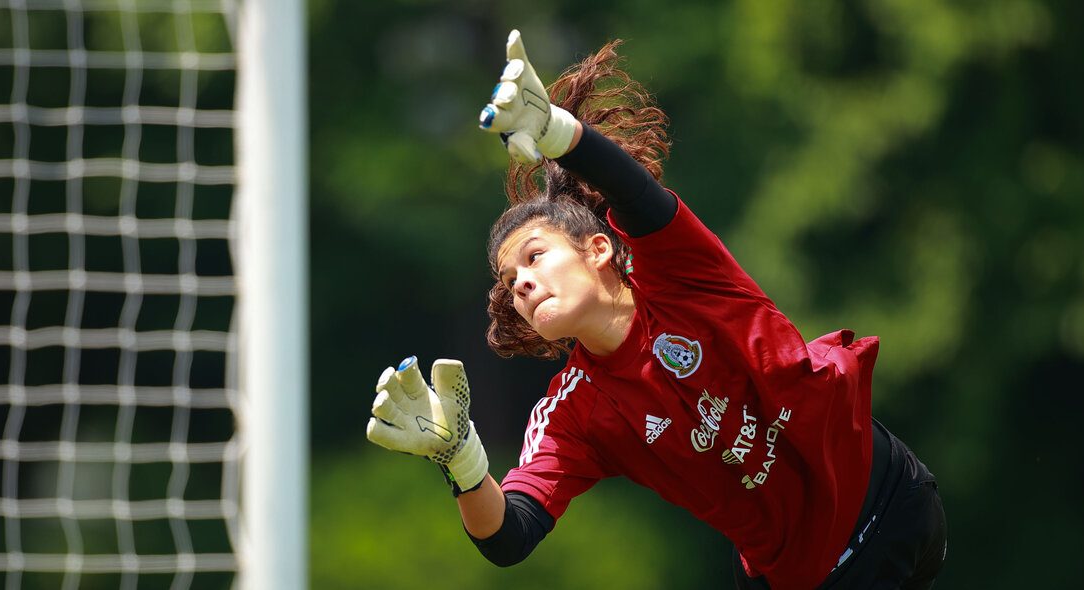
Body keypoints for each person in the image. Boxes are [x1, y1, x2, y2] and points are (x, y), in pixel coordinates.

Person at [365, 30, 948, 590]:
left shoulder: (678, 274)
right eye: (510, 281)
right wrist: (461, 459)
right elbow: (510, 537)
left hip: (890, 500)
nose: (522, 284)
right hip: (812, 578)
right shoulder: (574, 413)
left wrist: (558, 132)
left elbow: (636, 193)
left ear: (599, 250)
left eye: (535, 257)